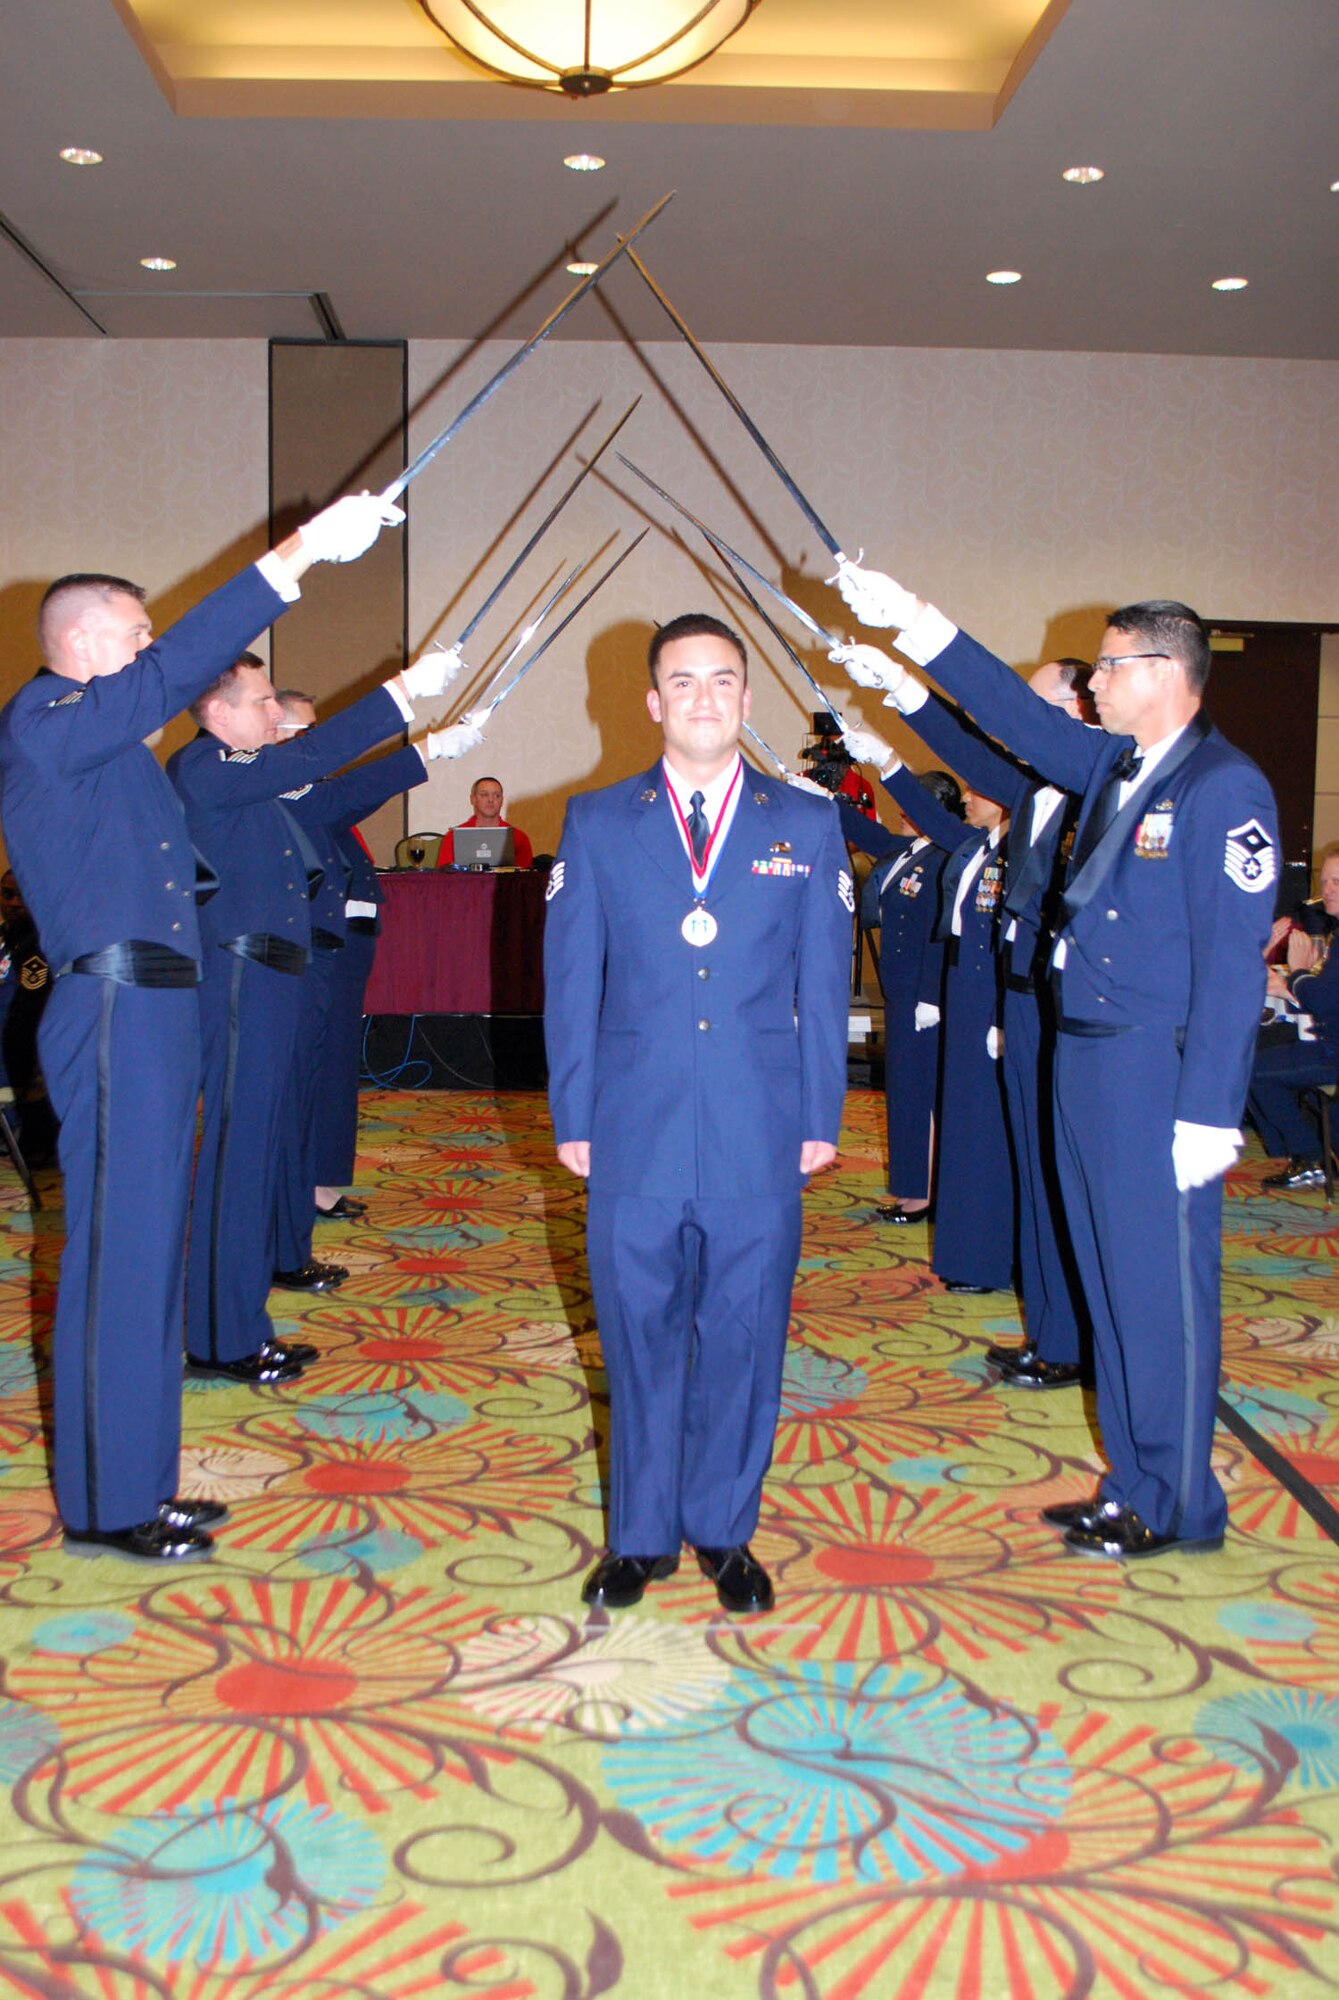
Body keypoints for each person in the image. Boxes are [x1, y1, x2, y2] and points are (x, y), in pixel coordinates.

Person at [833, 569, 1278, 1561]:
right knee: (1110, 1281)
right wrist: (918, 628)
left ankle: (1178, 1500)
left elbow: (1230, 960)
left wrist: (1209, 1110)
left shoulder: (1221, 785)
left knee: (1159, 1293)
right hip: (1085, 1064)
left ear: (1165, 671)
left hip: (1153, 1077)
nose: (1097, 687)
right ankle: (1133, 1480)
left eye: (1111, 667)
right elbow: (1016, 729)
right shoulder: (1124, 769)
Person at [0, 490, 402, 1562]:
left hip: (161, 1001)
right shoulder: (47, 724)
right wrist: (298, 555)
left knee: (147, 1248)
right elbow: (179, 672)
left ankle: (135, 1479)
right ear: (83, 644)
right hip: (116, 1001)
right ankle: (107, 1496)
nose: (152, 660)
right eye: (135, 636)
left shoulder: (105, 746)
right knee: (116, 1255)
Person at [544, 612, 851, 1615]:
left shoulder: (803, 823)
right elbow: (570, 976)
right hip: (632, 1120)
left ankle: (724, 1526)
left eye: (723, 681)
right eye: (683, 682)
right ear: (652, 701)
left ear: (747, 698)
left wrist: (820, 1107)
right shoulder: (595, 820)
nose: (705, 699)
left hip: (759, 1123)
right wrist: (573, 1108)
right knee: (634, 1329)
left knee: (744, 1328)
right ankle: (637, 1534)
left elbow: (824, 973)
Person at [169, 654, 484, 1386]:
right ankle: (222, 1335)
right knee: (239, 1156)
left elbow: (329, 797)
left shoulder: (245, 778)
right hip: (243, 973)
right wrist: (400, 696)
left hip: (272, 972)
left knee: (265, 1143)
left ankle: (237, 1320)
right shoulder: (205, 767)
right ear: (217, 713)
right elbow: (310, 760)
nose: (275, 713)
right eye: (262, 701)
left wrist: (425, 753)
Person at [842, 661, 1094, 1388]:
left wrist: (899, 716)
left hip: (1048, 1004)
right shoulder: (1023, 809)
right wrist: (892, 725)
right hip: (994, 994)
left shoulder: (1091, 790)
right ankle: (1045, 1328)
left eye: (1035, 704)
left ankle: (1061, 1331)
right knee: (994, 1143)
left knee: (1039, 1166)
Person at [270, 689, 429, 1264]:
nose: (316, 744)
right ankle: (314, 1182)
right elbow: (343, 803)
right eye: (305, 732)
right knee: (325, 1062)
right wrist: (424, 755)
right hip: (319, 938)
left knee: (337, 1062)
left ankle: (324, 1176)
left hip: (349, 933)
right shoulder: (278, 788)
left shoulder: (309, 789)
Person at [835, 773, 962, 1223]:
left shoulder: (946, 856)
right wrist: (826, 800)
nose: (904, 813)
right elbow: (866, 833)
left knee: (921, 1093)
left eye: (916, 805)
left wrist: (931, 994)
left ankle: (925, 1193)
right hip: (901, 990)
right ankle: (910, 1187)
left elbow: (940, 933)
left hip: (923, 997)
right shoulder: (910, 850)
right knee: (905, 1091)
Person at [1246, 848, 1339, 1187]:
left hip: (1333, 1051)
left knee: (1251, 1068)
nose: (1327, 889)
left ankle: (1309, 1156)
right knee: (1257, 1060)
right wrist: (1291, 988)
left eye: (1337, 882)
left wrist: (1297, 975)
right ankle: (1311, 1154)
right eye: (1324, 880)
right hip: (1328, 1041)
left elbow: (1325, 999)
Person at [0, 870, 58, 1166]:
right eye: (7, 894)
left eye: (21, 895)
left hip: (30, 1050)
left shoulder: (39, 943)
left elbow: (30, 1005)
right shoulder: (6, 939)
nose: (13, 903)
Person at [436, 775, 534, 868]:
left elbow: (525, 880)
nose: (491, 800)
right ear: (473, 799)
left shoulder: (518, 838)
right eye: (484, 795)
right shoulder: (453, 837)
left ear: (502, 801)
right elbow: (443, 879)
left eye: (497, 795)